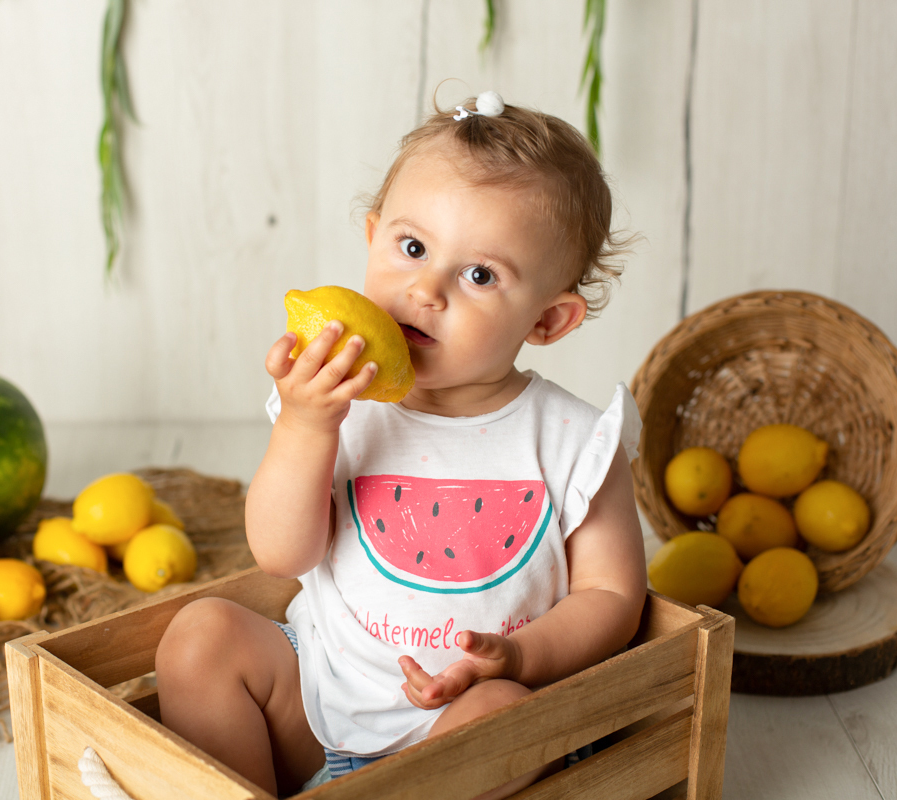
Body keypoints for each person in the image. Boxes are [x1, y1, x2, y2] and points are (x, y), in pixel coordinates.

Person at [156, 92, 647, 799]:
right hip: (319, 695)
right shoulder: (334, 403)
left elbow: (612, 595)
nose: (426, 289)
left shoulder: (574, 441)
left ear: (548, 320)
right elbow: (281, 556)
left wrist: (517, 658)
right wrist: (305, 427)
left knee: (505, 718)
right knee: (198, 636)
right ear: (372, 236)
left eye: (480, 275)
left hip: (462, 723)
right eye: (412, 248)